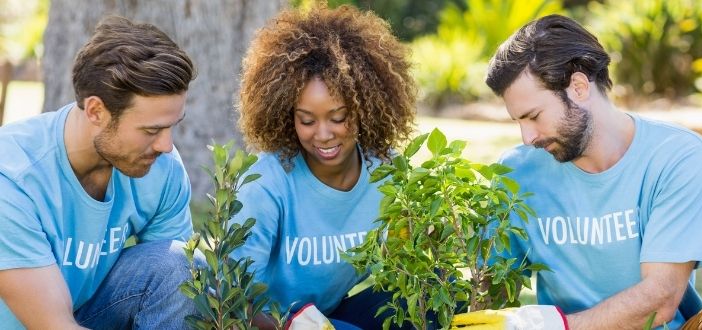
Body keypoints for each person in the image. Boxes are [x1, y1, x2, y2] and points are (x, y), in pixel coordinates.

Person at [474, 14, 702, 329]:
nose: (527, 137)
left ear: (578, 86)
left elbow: (661, 299)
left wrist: (560, 327)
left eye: (533, 116)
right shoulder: (516, 172)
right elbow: (486, 290)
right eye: (518, 121)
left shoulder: (679, 157)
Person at [0, 16, 198, 329]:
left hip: (88, 313)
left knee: (178, 264)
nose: (165, 145)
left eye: (172, 126)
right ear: (96, 111)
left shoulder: (163, 167)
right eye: (151, 130)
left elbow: (180, 288)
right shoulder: (10, 177)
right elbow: (55, 325)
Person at [231, 6, 417, 330]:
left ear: (365, 110)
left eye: (338, 117)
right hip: (266, 323)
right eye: (307, 120)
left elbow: (406, 267)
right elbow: (231, 297)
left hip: (330, 315)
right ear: (287, 116)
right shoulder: (264, 185)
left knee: (426, 299)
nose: (323, 134)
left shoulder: (386, 172)